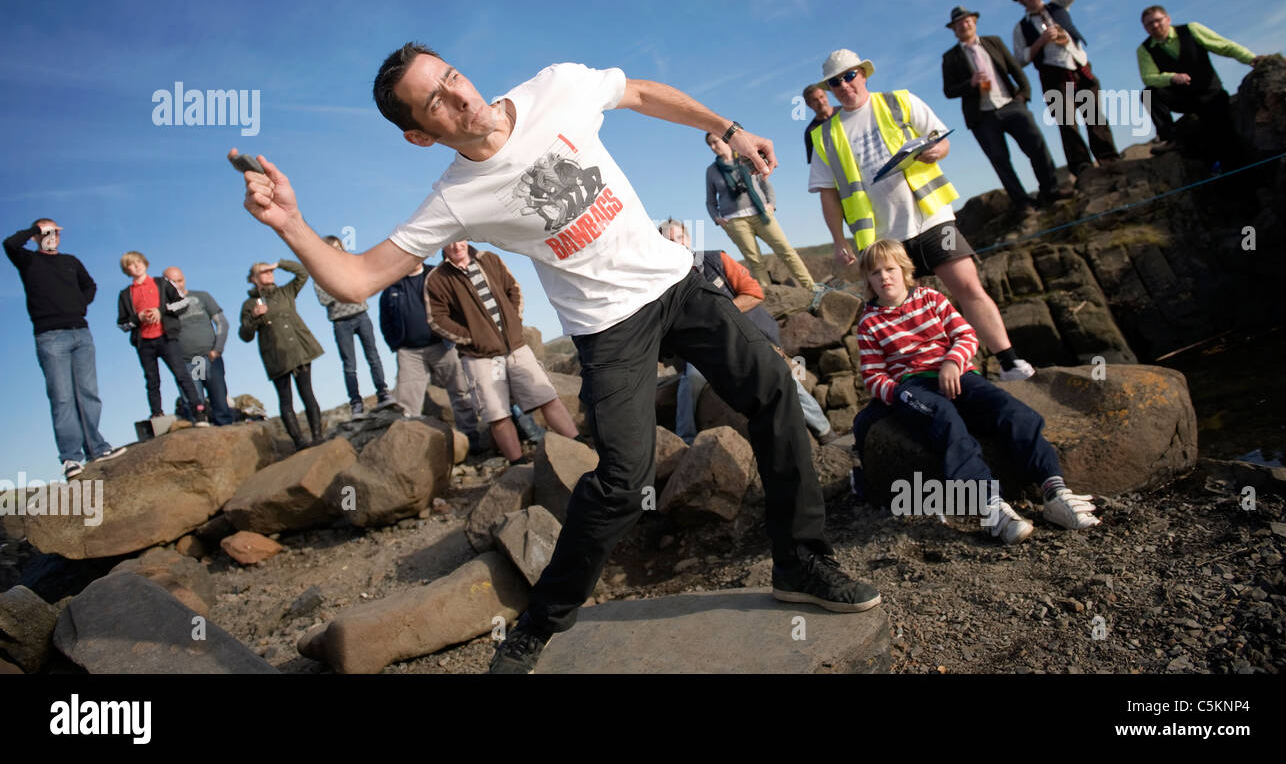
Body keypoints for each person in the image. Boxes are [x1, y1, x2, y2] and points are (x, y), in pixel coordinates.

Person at [233, 43, 879, 675]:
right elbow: (357, 278)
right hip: (608, 329)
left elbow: (643, 93)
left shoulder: (556, 87)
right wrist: (290, 223)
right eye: (435, 100)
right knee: (623, 481)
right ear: (420, 135)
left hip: (676, 285)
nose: (459, 94)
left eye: (452, 75)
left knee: (771, 387)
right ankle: (542, 620)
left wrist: (728, 129)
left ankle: (800, 560)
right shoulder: (456, 197)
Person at [809, 47, 1036, 381]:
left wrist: (935, 151)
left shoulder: (899, 101)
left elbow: (941, 141)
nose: (844, 85)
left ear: (864, 73)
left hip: (931, 216)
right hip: (883, 238)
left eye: (849, 75)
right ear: (830, 89)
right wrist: (838, 240)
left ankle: (1009, 362)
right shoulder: (825, 135)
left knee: (968, 286)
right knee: (900, 314)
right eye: (835, 82)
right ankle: (924, 380)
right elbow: (828, 194)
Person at [852, 239, 1099, 544]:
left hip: (957, 374)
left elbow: (965, 335)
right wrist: (898, 394)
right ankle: (990, 506)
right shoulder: (869, 322)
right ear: (868, 280)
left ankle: (1054, 491)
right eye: (875, 273)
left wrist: (953, 362)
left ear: (905, 270)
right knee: (945, 421)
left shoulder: (931, 298)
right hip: (913, 386)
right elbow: (873, 374)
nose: (884, 277)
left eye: (890, 269)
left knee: (1013, 411)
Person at [657, 218, 835, 446]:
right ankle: (687, 444)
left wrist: (720, 314)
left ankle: (823, 429)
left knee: (778, 372)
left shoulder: (715, 260)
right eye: (668, 241)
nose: (676, 244)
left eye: (679, 237)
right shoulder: (665, 283)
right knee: (690, 380)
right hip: (704, 350)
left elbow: (753, 293)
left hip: (746, 335)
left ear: (689, 239)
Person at [426, 241, 579, 463]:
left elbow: (513, 289)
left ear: (465, 238)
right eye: (449, 242)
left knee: (547, 397)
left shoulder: (489, 258)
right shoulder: (437, 278)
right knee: (497, 415)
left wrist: (514, 322)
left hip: (515, 348)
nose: (456, 245)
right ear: (442, 246)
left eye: (458, 238)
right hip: (479, 357)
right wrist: (472, 338)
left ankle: (579, 444)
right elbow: (436, 319)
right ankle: (519, 465)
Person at [5, 219, 120, 479]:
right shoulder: (27, 260)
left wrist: (80, 303)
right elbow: (9, 243)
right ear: (35, 236)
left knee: (88, 392)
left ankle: (97, 448)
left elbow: (90, 286)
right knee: (62, 397)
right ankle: (70, 458)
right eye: (46, 232)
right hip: (50, 337)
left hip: (81, 332)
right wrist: (35, 231)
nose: (52, 235)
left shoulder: (71, 261)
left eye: (55, 231)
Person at [940, 6, 1066, 213]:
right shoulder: (950, 57)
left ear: (974, 21)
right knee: (1000, 161)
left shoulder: (994, 42)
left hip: (1010, 104)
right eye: (958, 23)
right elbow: (948, 91)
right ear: (953, 29)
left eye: (967, 20)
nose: (964, 25)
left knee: (1037, 146)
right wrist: (970, 83)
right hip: (982, 116)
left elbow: (1015, 69)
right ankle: (1023, 203)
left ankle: (1051, 191)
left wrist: (1023, 95)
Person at [1011, 0, 1119, 176]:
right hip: (1053, 74)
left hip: (1079, 66)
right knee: (1067, 122)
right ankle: (1081, 165)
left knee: (1094, 114)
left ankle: (1108, 157)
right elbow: (1020, 59)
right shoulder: (1020, 28)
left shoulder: (1058, 6)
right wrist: (1041, 41)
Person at [1136, 5, 1259, 160]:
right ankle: (1169, 138)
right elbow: (1148, 78)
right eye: (1148, 24)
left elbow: (1224, 46)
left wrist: (1251, 59)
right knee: (1148, 94)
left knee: (1224, 141)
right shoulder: (1144, 50)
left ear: (1168, 19)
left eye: (1157, 20)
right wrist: (1172, 78)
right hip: (1183, 99)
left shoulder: (1191, 29)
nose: (1154, 26)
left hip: (1210, 94)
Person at [378, 254, 480, 440]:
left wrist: (455, 333)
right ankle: (412, 443)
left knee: (460, 390)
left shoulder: (437, 274)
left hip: (443, 345)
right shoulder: (392, 286)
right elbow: (385, 320)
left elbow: (455, 303)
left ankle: (470, 434)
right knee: (407, 402)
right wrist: (396, 344)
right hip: (410, 353)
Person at [704, 132, 820, 293]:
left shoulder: (746, 160)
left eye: (715, 142)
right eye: (709, 144)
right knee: (755, 260)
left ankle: (812, 287)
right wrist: (717, 218)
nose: (712, 147)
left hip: (762, 214)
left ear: (726, 142)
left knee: (786, 250)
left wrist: (771, 204)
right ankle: (769, 296)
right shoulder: (712, 171)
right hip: (735, 221)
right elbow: (710, 201)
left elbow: (765, 182)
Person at [238, 259, 324, 450]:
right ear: (253, 279)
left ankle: (318, 436)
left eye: (270, 271)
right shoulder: (249, 304)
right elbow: (245, 335)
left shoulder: (285, 291)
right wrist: (254, 316)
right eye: (263, 272)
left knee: (308, 393)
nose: (269, 274)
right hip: (275, 356)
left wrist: (279, 264)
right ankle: (299, 442)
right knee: (285, 399)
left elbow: (303, 272)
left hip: (300, 349)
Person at [116, 251, 210, 426]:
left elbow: (183, 303)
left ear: (145, 263)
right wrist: (139, 317)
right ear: (126, 269)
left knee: (182, 374)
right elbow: (122, 324)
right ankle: (157, 414)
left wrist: (162, 311)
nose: (136, 265)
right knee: (152, 380)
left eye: (138, 261)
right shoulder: (125, 295)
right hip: (144, 342)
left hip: (166, 337)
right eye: (131, 263)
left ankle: (199, 411)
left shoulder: (161, 283)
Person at [314, 235, 395, 417]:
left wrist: (342, 289)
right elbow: (324, 299)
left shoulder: (352, 265)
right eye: (332, 248)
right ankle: (356, 403)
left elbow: (360, 286)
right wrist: (346, 289)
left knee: (373, 356)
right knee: (349, 364)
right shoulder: (319, 274)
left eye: (339, 247)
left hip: (361, 315)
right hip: (341, 322)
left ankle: (383, 392)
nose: (337, 251)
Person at [162, 265, 235, 425]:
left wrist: (217, 350)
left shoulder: (201, 296)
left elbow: (222, 322)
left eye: (179, 280)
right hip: (186, 362)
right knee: (197, 411)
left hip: (209, 358)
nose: (177, 285)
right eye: (172, 282)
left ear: (184, 279)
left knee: (221, 405)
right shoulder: (163, 308)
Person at [801, 84, 838, 165]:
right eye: (815, 100)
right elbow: (816, 164)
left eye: (821, 97)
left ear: (826, 96)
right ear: (808, 104)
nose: (820, 102)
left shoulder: (845, 112)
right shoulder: (811, 131)